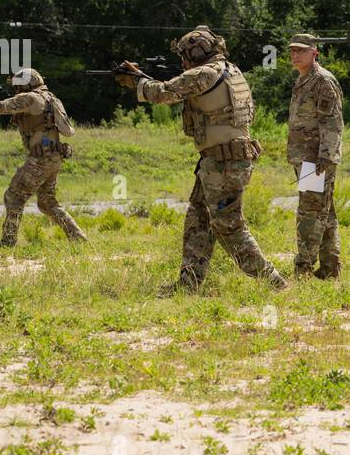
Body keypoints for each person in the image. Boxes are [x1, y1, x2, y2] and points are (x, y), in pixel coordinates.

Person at [117, 27, 287, 294]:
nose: (183, 62)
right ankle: (189, 283)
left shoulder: (205, 73)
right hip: (220, 161)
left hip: (224, 163)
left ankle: (274, 282)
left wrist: (137, 81)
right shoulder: (231, 70)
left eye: (185, 55)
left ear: (197, 52)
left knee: (228, 226)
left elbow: (163, 93)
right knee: (198, 220)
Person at [0, 68, 87, 250]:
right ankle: (78, 237)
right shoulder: (51, 98)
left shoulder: (30, 98)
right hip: (54, 158)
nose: (16, 90)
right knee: (47, 202)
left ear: (28, 83)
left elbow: (2, 107)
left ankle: (8, 242)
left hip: (39, 159)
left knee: (13, 196)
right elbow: (67, 131)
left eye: (18, 86)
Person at [284, 34, 344, 279]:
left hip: (315, 160)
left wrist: (326, 158)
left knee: (309, 213)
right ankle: (330, 269)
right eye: (292, 51)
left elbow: (333, 122)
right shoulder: (304, 79)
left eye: (301, 50)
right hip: (305, 157)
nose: (295, 55)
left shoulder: (322, 81)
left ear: (314, 52)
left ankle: (303, 269)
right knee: (324, 212)